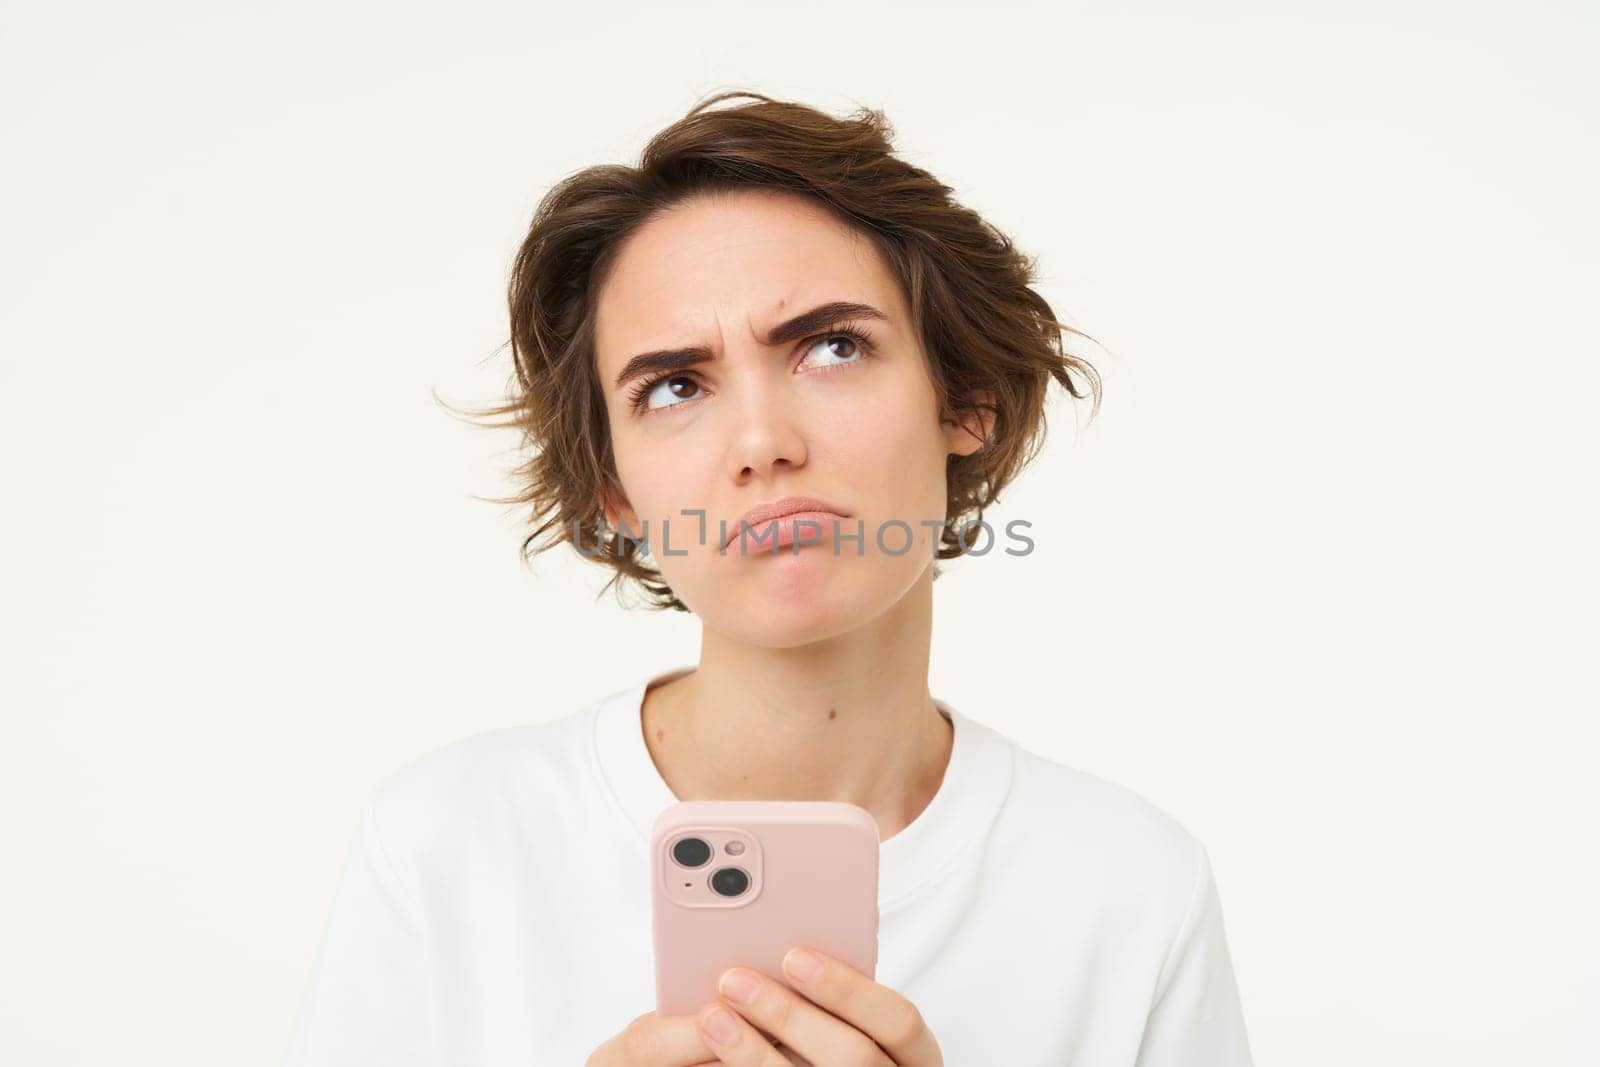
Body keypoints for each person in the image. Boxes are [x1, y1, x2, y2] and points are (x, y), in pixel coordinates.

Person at [283, 90, 1254, 1067]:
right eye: (675, 385)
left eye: (832, 346)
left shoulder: (1129, 888)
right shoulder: (446, 847)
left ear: (966, 400)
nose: (761, 443)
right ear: (612, 488)